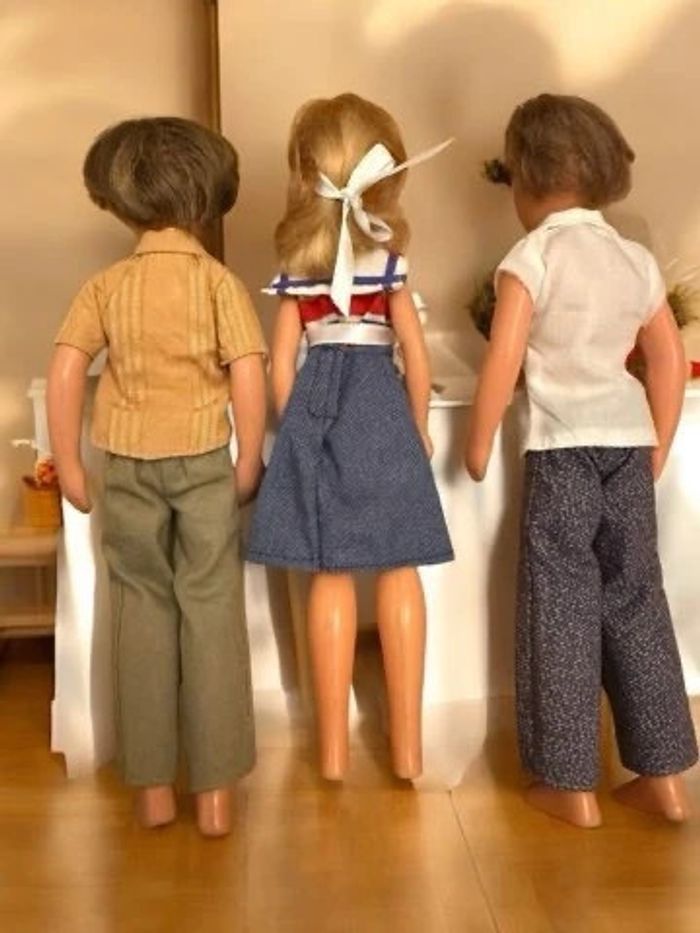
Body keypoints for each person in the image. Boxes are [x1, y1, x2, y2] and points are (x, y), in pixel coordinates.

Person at [466, 93, 698, 827]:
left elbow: (504, 360)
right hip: (627, 448)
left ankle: (569, 781)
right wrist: (657, 442)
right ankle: (664, 777)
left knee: (559, 604)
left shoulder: (532, 257)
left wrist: (478, 441)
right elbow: (668, 359)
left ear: (528, 178)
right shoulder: (632, 259)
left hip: (563, 453)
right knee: (637, 599)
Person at [47, 117, 267, 836]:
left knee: (139, 606)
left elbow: (66, 368)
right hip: (203, 461)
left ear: (119, 197)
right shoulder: (219, 284)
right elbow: (247, 372)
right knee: (211, 606)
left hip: (127, 464)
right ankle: (215, 791)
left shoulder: (106, 287)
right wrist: (248, 457)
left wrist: (70, 461)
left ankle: (152, 788)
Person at [248, 93, 454, 780]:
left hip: (321, 411)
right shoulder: (389, 264)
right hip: (381, 409)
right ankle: (407, 748)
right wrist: (418, 425)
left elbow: (282, 363)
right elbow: (415, 356)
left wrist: (295, 428)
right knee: (400, 566)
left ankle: (333, 751)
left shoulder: (298, 272)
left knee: (330, 571)